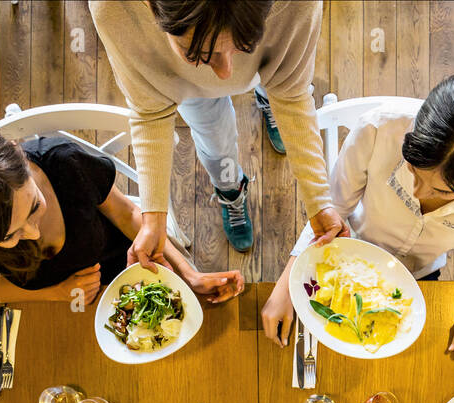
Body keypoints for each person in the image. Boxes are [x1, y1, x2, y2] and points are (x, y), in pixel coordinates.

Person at [261, 74, 454, 352]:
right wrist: (287, 283)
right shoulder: (377, 129)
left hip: (424, 271)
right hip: (354, 252)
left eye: (442, 192)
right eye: (413, 172)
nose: (419, 193)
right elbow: (331, 207)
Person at [90, 0, 347, 257]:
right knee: (216, 144)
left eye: (243, 46)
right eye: (201, 54)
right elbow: (151, 110)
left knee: (279, 81)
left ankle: (267, 93)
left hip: (271, 61)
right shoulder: (113, 9)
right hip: (189, 88)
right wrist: (154, 218)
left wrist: (319, 202)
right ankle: (230, 188)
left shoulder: (295, 6)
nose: (225, 74)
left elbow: (291, 94)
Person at [0, 115, 243, 305]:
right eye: (12, 234)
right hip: (61, 307)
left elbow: (124, 212)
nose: (32, 233)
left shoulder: (65, 163)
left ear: (19, 155)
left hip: (127, 261)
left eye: (34, 206)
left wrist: (189, 274)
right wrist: (55, 294)